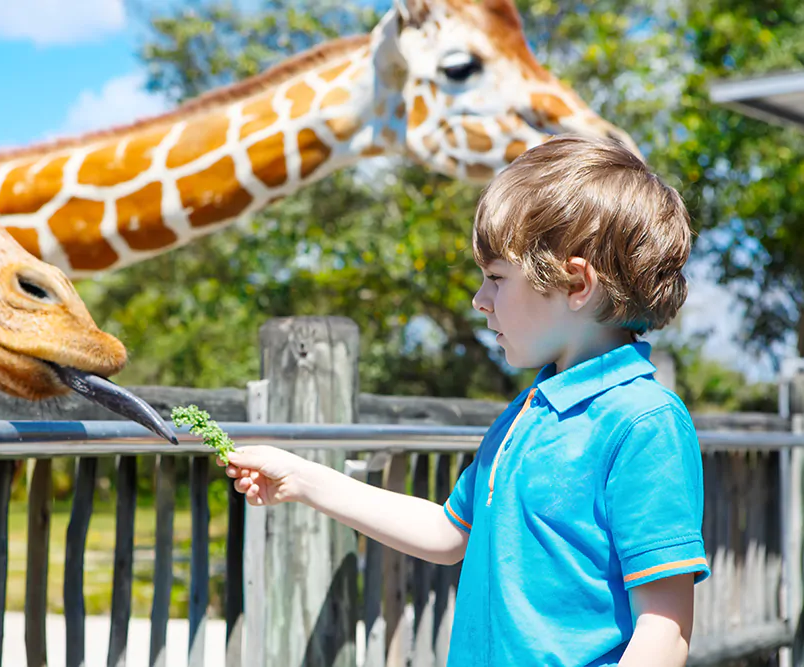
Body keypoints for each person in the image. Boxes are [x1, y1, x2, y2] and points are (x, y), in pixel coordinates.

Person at [222, 136, 709, 666]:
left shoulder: (644, 422)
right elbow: (447, 532)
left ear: (576, 282)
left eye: (497, 278)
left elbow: (665, 629)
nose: (480, 301)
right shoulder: (526, 414)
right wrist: (301, 478)